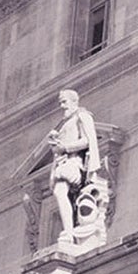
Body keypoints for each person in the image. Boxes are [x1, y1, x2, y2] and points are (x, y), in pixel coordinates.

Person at [47, 88, 101, 243]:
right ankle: (69, 231)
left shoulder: (82, 116)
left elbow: (87, 140)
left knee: (60, 191)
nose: (62, 106)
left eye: (64, 102)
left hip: (74, 162)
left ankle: (69, 232)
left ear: (74, 101)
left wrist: (65, 147)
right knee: (62, 194)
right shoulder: (65, 123)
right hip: (63, 162)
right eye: (60, 103)